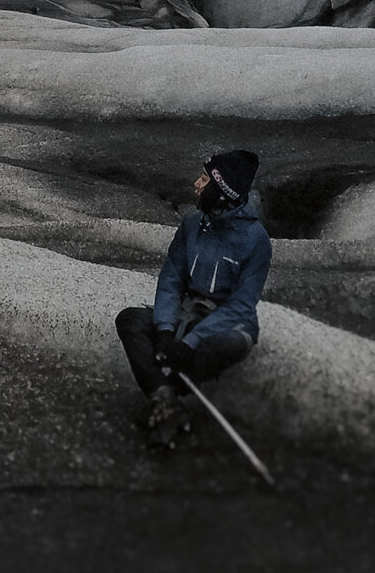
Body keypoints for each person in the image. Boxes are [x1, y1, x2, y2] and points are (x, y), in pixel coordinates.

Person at [116, 148, 271, 446]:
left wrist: (189, 343)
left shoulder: (257, 241)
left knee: (225, 345)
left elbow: (242, 305)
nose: (196, 185)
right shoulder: (190, 225)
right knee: (131, 320)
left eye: (203, 179)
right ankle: (165, 400)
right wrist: (163, 329)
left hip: (228, 325)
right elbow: (171, 280)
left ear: (222, 190)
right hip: (187, 313)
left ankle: (166, 397)